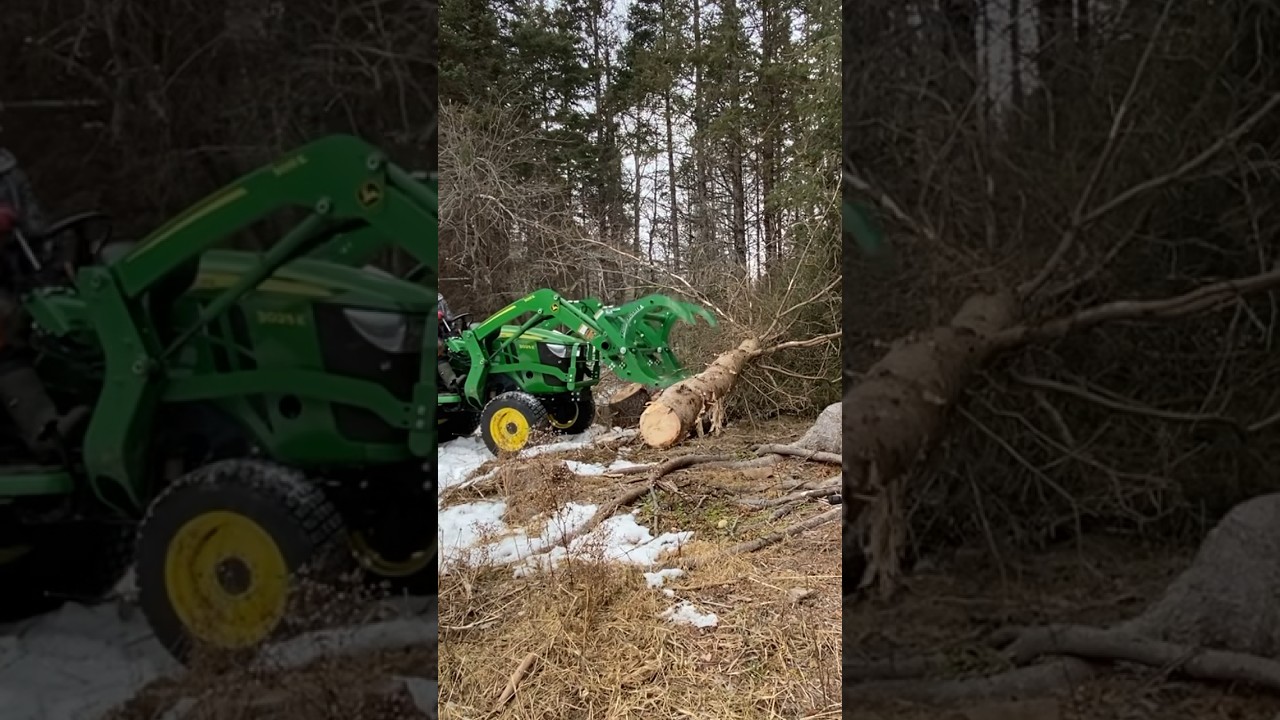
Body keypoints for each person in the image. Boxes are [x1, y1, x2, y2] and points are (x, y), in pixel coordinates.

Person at [0, 149, 90, 460]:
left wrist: (59, 266)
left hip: (18, 280)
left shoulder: (7, 170)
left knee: (71, 325)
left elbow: (37, 227)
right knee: (6, 328)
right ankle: (44, 431)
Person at [437, 291, 461, 392]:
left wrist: (454, 331)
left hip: (442, 332)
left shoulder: (439, 299)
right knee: (438, 347)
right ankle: (452, 382)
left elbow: (449, 318)